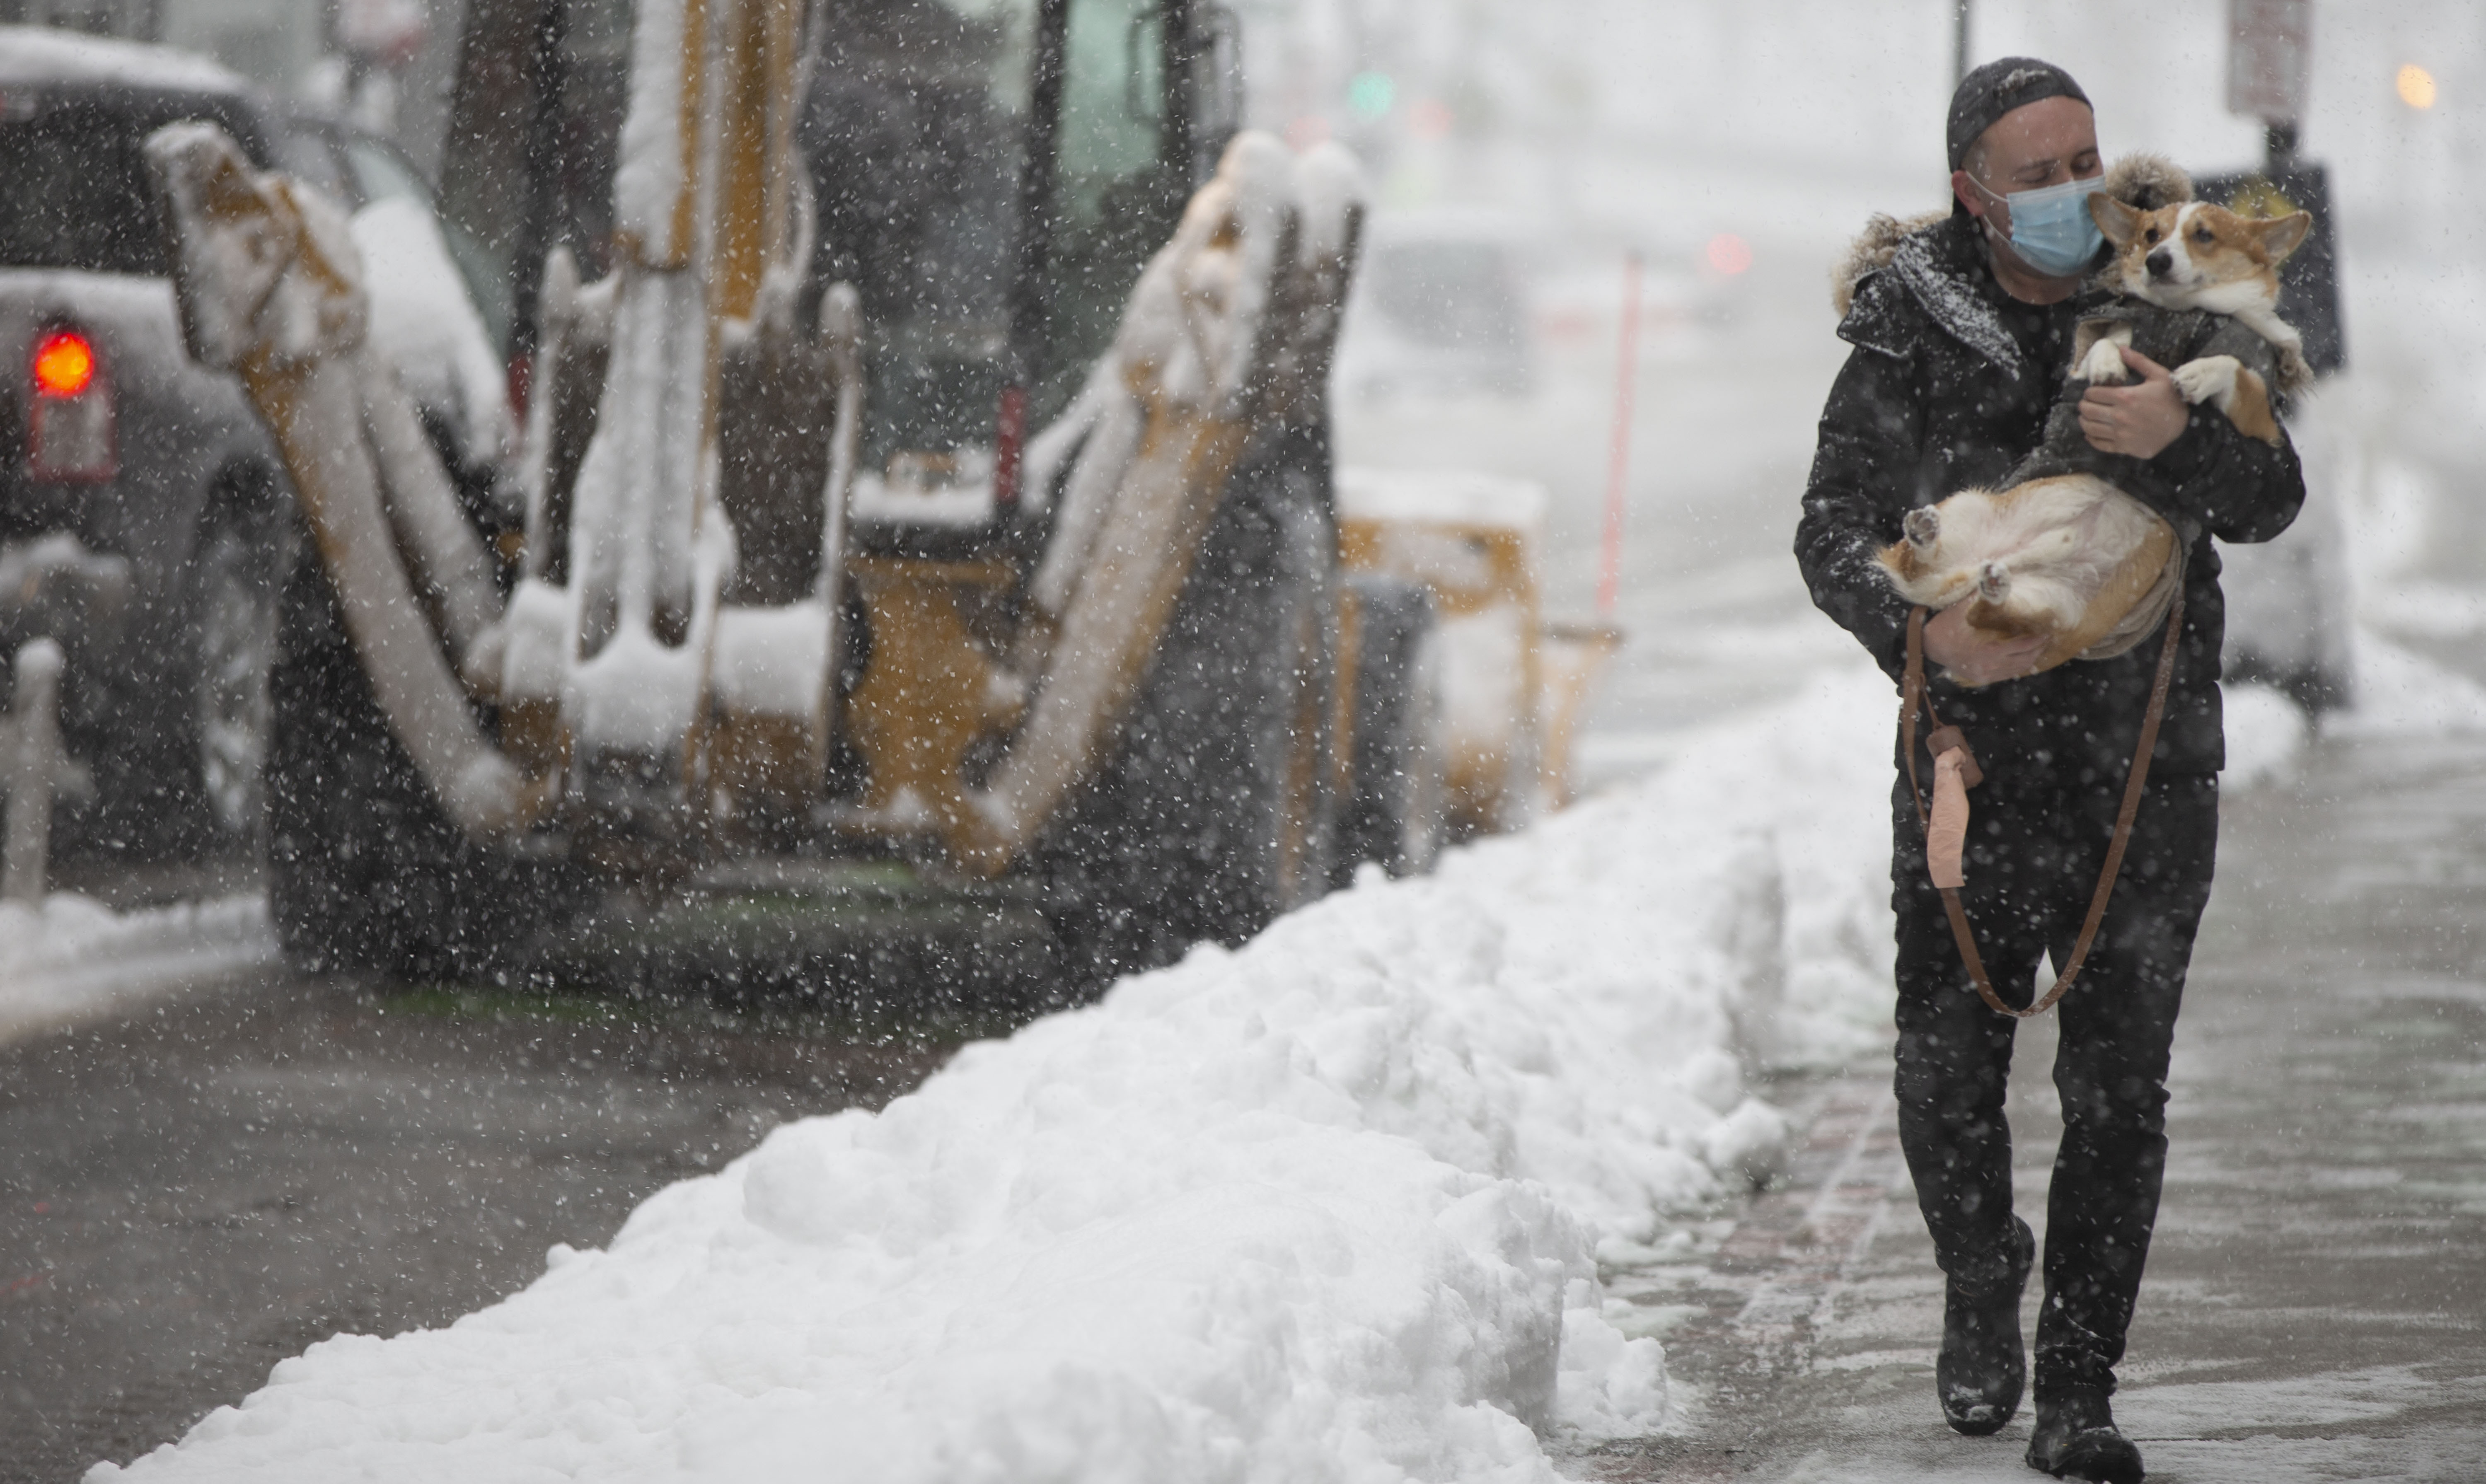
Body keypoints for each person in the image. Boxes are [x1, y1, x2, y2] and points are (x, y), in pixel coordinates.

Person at [1794, 58, 2306, 1484]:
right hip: (1972, 762)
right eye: (2036, 172)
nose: (2073, 189)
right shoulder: (1908, 333)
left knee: (2119, 1092)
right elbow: (1830, 529)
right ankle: (1978, 1277)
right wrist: (1927, 635)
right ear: (1973, 191)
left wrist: (2185, 441)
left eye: (2084, 156)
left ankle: (2080, 1388)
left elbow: (2272, 499)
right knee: (1945, 1073)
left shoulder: (2166, 295)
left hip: (2145, 770)